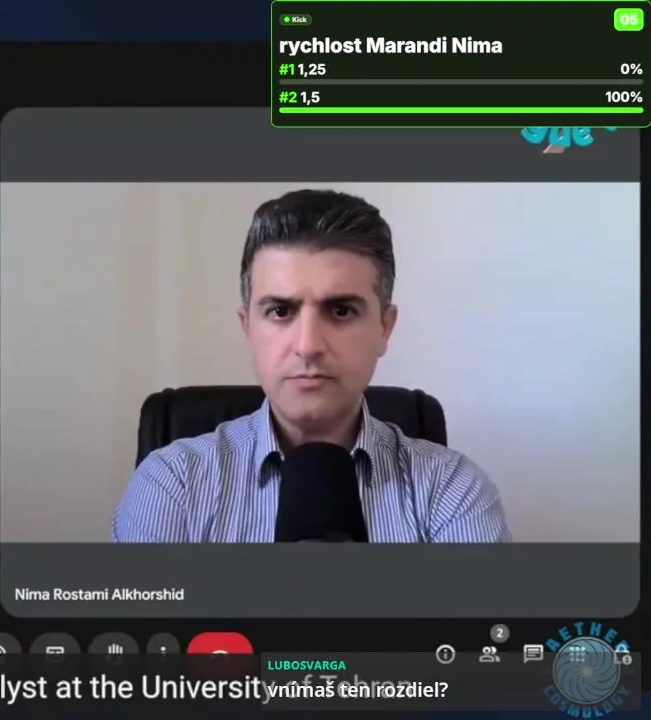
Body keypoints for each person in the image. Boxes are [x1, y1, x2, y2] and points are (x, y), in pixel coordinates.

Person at [113, 189, 512, 543]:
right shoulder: (173, 484)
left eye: (341, 310)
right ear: (248, 326)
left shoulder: (453, 491)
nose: (308, 346)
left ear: (384, 327)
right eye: (280, 311)